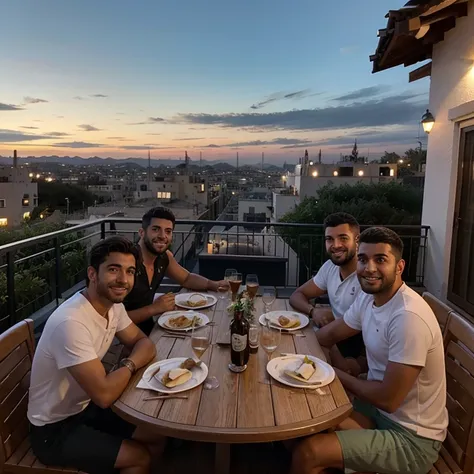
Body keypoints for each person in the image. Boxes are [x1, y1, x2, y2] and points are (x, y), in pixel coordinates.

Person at [291, 227, 447, 474]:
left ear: (399, 266)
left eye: (380, 259)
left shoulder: (408, 318)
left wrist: (330, 372)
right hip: (378, 414)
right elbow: (327, 335)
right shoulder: (369, 298)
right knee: (305, 420)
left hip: (412, 438)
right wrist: (291, 349)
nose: (369, 268)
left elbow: (388, 399)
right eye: (363, 259)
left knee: (309, 452)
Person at [28, 236, 159, 474]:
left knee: (156, 433)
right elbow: (105, 395)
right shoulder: (71, 322)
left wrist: (121, 369)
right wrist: (129, 364)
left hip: (84, 409)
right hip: (54, 430)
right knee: (139, 457)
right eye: (113, 269)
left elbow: (144, 342)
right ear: (92, 274)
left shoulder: (113, 305)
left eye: (130, 272)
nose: (123, 280)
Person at [124, 206, 229, 335]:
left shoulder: (163, 258)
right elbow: (112, 319)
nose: (163, 236)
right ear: (142, 232)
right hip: (121, 339)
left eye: (168, 231)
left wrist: (214, 284)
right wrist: (154, 308)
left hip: (150, 330)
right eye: (156, 229)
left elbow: (186, 278)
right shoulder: (127, 263)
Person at [289, 212, 364, 372]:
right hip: (332, 338)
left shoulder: (367, 278)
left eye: (343, 238)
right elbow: (297, 295)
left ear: (357, 240)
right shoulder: (330, 267)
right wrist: (313, 310)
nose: (335, 245)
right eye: (330, 239)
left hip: (354, 349)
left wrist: (330, 346)